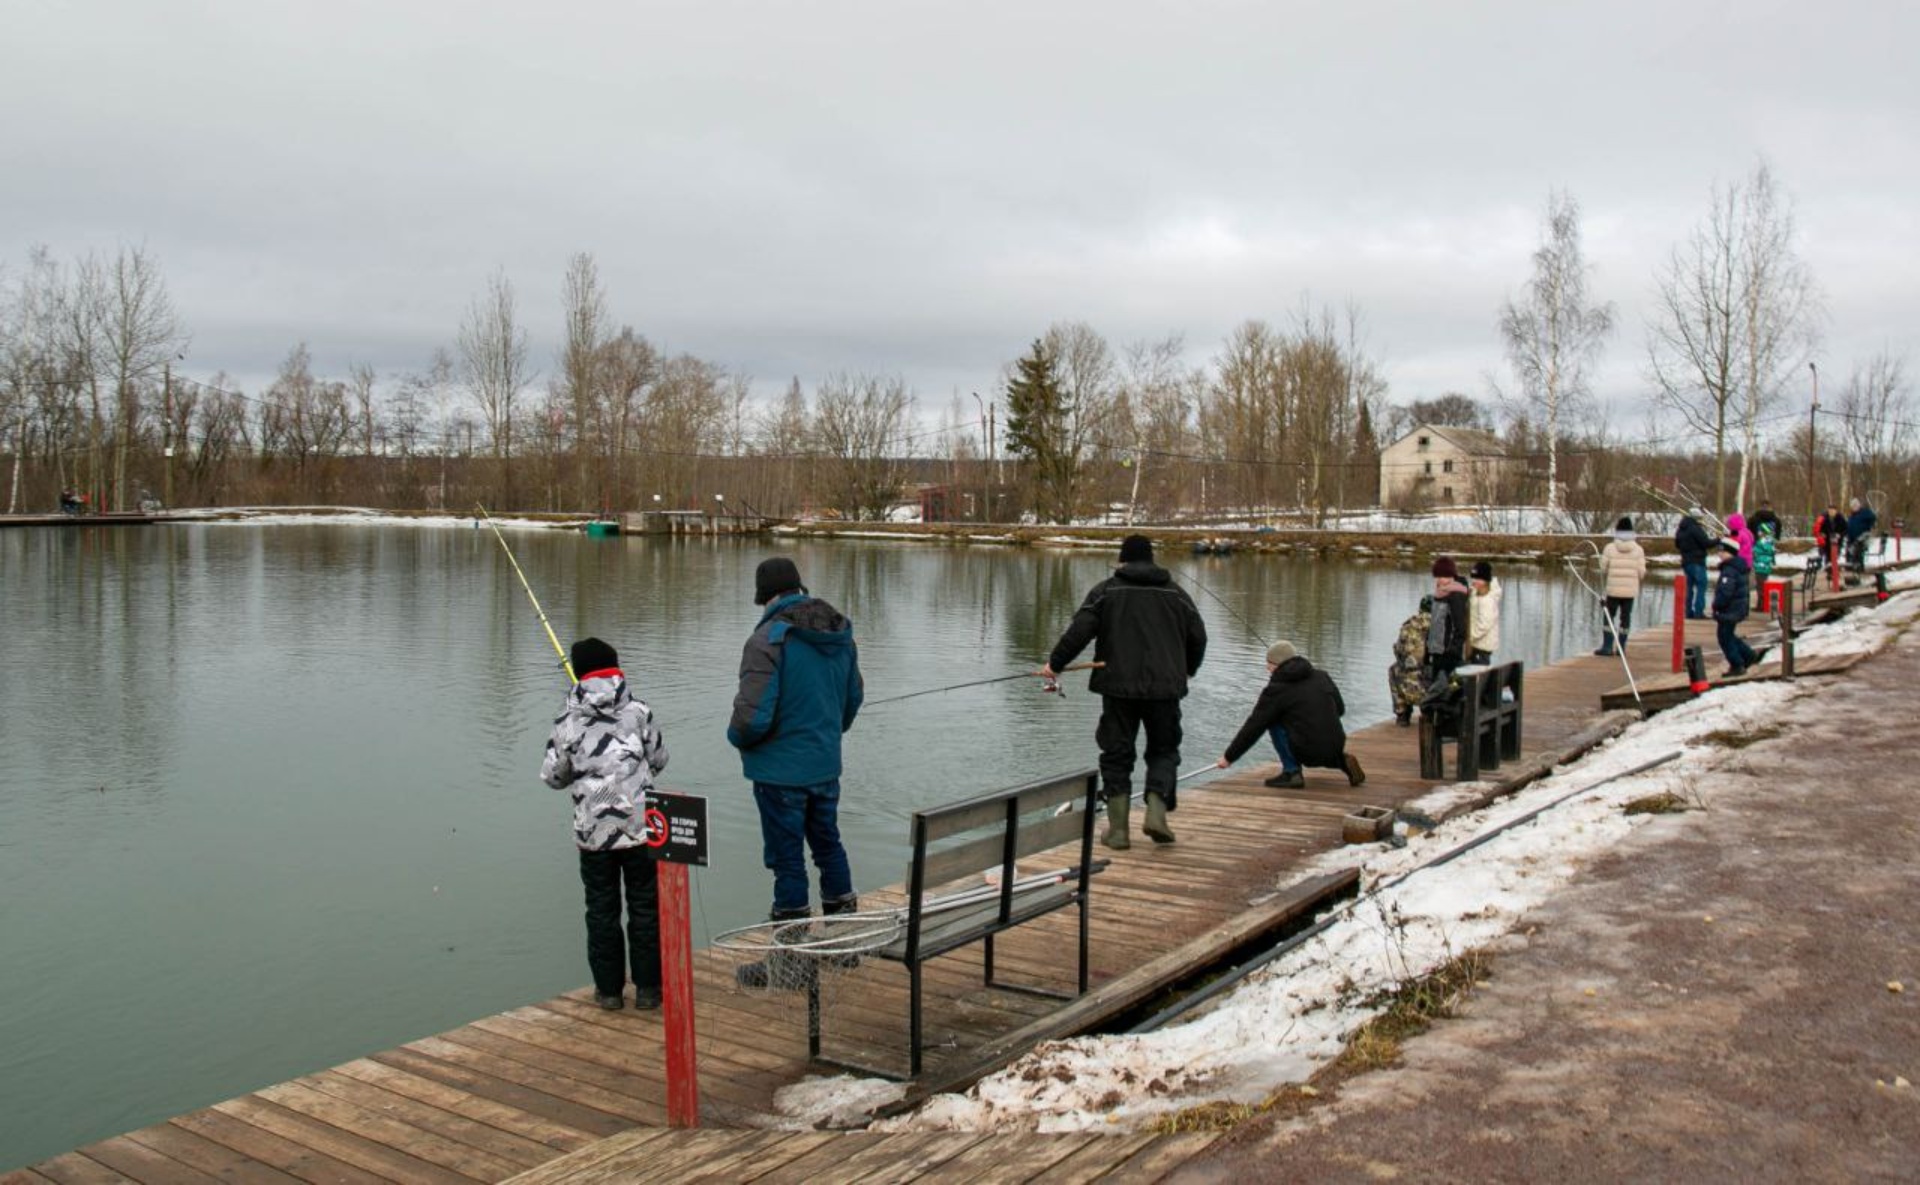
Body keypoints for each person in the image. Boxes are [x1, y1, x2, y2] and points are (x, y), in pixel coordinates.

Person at [727, 556, 865, 989]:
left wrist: (737, 738)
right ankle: (842, 947)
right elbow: (852, 701)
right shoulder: (839, 632)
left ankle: (788, 963)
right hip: (824, 765)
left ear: (766, 597)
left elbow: (752, 719)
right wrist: (826, 733)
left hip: (780, 774)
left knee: (787, 862)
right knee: (829, 847)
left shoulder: (767, 639)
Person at [1041, 534, 1207, 849]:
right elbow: (1199, 637)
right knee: (1163, 750)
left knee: (1116, 754)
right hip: (1165, 690)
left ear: (1123, 560)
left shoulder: (1106, 592)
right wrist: (1187, 669)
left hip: (1117, 689)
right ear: (1152, 559)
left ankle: (1118, 831)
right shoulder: (1177, 594)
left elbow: (1079, 632)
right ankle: (1156, 812)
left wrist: (1055, 664)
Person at [541, 637, 669, 1011]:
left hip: (593, 835)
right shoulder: (639, 711)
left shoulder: (567, 721)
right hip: (641, 830)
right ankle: (649, 991)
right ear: (616, 670)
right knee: (645, 907)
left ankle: (609, 993)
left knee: (601, 910)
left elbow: (553, 776)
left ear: (579, 674)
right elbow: (659, 758)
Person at [1215, 641, 1364, 789]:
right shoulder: (1322, 676)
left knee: (1272, 721)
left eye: (1270, 663)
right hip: (1336, 745)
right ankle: (1342, 761)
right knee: (1313, 724)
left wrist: (1229, 757)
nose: (1267, 667)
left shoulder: (1276, 690)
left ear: (1278, 665)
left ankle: (1292, 773)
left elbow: (1254, 726)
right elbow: (1340, 710)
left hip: (1307, 751)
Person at [1595, 517, 1647, 656]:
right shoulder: (1638, 550)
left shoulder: (1610, 548)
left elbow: (1603, 568)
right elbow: (1641, 573)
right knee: (1625, 618)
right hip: (1630, 592)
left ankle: (1607, 646)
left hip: (1613, 590)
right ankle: (1621, 647)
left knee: (1609, 617)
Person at [1711, 537, 1759, 676]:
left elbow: (1726, 591)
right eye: (1719, 551)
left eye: (1723, 551)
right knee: (1728, 635)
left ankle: (1737, 664)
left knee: (1724, 637)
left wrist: (1717, 605)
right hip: (1737, 607)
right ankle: (1748, 655)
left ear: (1730, 553)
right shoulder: (1737, 567)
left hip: (1729, 609)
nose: (1720, 554)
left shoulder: (1729, 570)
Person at [1388, 595, 1432, 727]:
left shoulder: (1408, 626)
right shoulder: (1440, 625)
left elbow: (1398, 651)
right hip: (1427, 687)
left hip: (1406, 685)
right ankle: (1429, 712)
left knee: (1393, 669)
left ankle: (1402, 714)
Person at [1427, 556, 1470, 682]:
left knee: (1444, 692)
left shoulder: (1456, 595)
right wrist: (1428, 648)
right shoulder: (1438, 595)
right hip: (1436, 652)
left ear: (1451, 576)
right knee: (1435, 692)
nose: (1440, 580)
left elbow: (1460, 628)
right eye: (1438, 576)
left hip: (1448, 655)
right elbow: (1434, 624)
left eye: (1443, 577)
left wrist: (1452, 652)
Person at [1674, 508, 1714, 620]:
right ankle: (1699, 612)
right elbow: (1706, 543)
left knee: (1689, 588)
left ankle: (1688, 612)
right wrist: (1719, 540)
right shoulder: (1696, 529)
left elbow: (1677, 544)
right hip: (1698, 562)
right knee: (1701, 586)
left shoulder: (1681, 529)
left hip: (1686, 562)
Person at [1467, 560, 1502, 665]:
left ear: (1486, 580)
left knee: (1479, 671)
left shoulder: (1488, 601)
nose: (1474, 581)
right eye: (1473, 578)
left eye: (1478, 578)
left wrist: (1469, 638)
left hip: (1482, 646)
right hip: (1475, 645)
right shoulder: (1475, 593)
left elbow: (1484, 625)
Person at [1846, 497, 1879, 575]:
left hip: (1862, 538)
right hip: (1852, 539)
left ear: (1859, 505)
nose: (1854, 507)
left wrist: (1873, 520)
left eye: (1856, 505)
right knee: (1849, 551)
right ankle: (1851, 567)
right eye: (1853, 506)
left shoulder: (1865, 512)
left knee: (1857, 550)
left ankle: (1859, 568)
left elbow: (1872, 518)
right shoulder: (1852, 516)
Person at [1752, 522, 1778, 610]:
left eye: (1760, 531)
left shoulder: (1763, 542)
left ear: (1764, 532)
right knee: (1761, 586)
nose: (1758, 533)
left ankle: (1762, 606)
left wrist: (1753, 551)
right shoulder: (1769, 541)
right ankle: (1760, 605)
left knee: (1760, 587)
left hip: (1761, 567)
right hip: (1765, 567)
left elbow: (1758, 551)